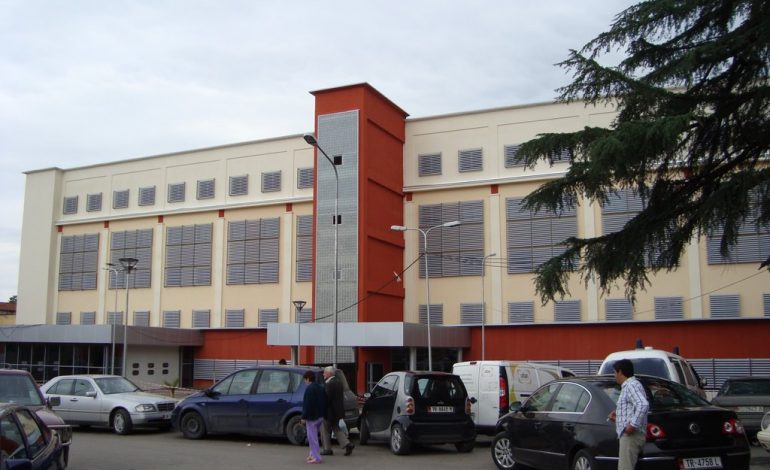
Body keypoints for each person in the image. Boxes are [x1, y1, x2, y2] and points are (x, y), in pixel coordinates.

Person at [608, 359, 649, 470]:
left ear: (620, 372)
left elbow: (643, 404)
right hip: (632, 436)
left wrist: (632, 425)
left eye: (614, 372)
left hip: (631, 437)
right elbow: (634, 408)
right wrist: (618, 416)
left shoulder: (631, 385)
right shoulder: (632, 385)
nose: (614, 376)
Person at [320, 366, 354, 456]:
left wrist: (321, 409)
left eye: (324, 372)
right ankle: (347, 444)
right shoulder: (338, 382)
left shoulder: (329, 384)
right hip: (337, 412)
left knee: (325, 429)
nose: (323, 374)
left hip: (329, 412)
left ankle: (327, 449)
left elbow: (327, 399)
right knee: (336, 428)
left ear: (329, 373)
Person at [301, 370, 326, 464]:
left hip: (312, 417)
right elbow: (324, 401)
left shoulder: (309, 389)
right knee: (314, 437)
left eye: (305, 380)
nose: (305, 382)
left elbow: (307, 404)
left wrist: (304, 417)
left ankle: (316, 457)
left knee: (312, 438)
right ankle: (312, 454)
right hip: (320, 415)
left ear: (308, 379)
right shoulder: (320, 388)